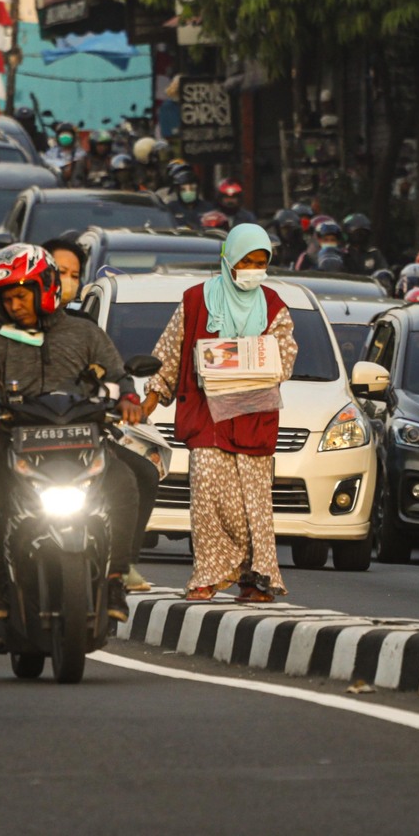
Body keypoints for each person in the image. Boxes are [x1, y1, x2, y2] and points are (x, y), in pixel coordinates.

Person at [0, 244, 146, 623]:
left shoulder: (85, 333)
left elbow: (117, 374)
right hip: (13, 446)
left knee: (139, 477)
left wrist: (127, 397)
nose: (14, 305)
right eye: (6, 299)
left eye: (21, 295)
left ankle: (117, 576)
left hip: (84, 446)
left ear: (45, 288)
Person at [124, 224, 297, 602]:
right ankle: (208, 575)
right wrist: (151, 398)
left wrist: (235, 360)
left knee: (252, 504)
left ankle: (255, 578)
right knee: (206, 498)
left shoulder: (274, 307)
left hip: (252, 416)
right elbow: (170, 354)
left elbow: (283, 360)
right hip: (206, 417)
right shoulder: (195, 301)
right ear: (228, 260)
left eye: (260, 262)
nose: (252, 268)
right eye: (245, 261)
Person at [160, 160, 215, 227]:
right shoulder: (171, 208)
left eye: (192, 189)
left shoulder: (208, 208)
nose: (188, 192)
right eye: (183, 189)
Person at [40, 233, 87, 306]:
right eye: (62, 272)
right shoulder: (21, 313)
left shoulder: (79, 317)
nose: (68, 280)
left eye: (74, 276)